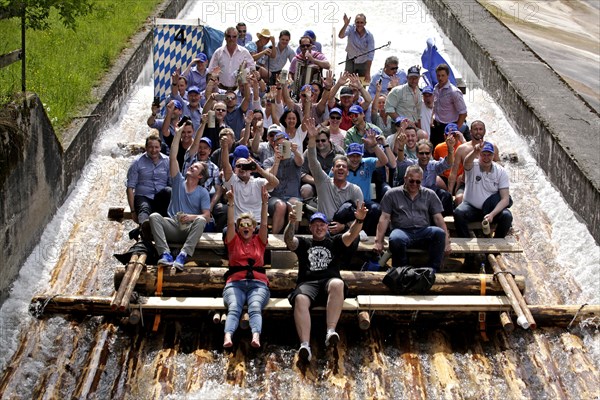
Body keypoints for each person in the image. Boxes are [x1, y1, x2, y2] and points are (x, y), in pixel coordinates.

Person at [284, 204, 367, 362]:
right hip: (308, 284)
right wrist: (291, 223)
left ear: (327, 227)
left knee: (338, 284)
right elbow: (289, 241)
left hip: (329, 283)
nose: (319, 228)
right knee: (300, 298)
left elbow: (351, 234)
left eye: (322, 225)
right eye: (315, 225)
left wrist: (359, 219)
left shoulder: (334, 242)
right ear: (310, 228)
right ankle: (305, 346)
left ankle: (330, 331)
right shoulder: (304, 243)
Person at [149, 125, 211, 271]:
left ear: (200, 176)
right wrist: (177, 135)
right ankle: (165, 254)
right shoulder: (178, 181)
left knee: (201, 219)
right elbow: (173, 157)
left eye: (195, 168)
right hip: (172, 225)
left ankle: (183, 255)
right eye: (192, 166)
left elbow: (207, 216)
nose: (191, 167)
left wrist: (191, 217)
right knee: (154, 217)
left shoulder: (203, 192)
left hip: (188, 230)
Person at [374, 165, 451, 271]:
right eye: (411, 181)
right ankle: (401, 270)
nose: (414, 184)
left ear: (421, 180)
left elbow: (438, 218)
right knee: (395, 238)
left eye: (418, 182)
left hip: (423, 231)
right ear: (405, 178)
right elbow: (384, 218)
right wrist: (378, 241)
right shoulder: (392, 194)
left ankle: (433, 270)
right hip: (402, 231)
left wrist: (447, 242)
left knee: (439, 233)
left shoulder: (430, 194)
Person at [222, 185, 270, 348]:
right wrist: (231, 203)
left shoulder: (259, 240)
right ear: (238, 228)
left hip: (258, 283)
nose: (245, 227)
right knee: (234, 306)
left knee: (255, 306)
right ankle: (228, 336)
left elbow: (264, 223)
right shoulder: (233, 240)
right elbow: (229, 223)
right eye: (242, 225)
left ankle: (256, 336)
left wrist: (264, 203)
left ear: (253, 227)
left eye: (249, 224)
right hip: (235, 282)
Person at [305, 118, 363, 234]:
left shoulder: (355, 190)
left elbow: (360, 218)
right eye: (338, 166)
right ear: (332, 170)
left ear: (348, 172)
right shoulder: (323, 182)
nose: (341, 168)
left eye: (344, 167)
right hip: (324, 228)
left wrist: (344, 226)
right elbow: (312, 161)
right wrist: (312, 139)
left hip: (345, 230)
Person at [453, 142, 512, 238]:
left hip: (492, 209)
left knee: (507, 216)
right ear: (479, 155)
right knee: (458, 213)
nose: (486, 158)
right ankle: (467, 244)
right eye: (483, 155)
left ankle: (497, 243)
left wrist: (492, 214)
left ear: (493, 156)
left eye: (489, 155)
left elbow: (505, 199)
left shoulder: (501, 171)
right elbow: (466, 163)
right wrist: (474, 151)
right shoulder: (473, 165)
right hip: (471, 207)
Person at [221, 136, 279, 224]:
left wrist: (259, 169)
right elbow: (225, 165)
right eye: (238, 166)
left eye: (245, 166)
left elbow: (275, 182)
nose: (242, 168)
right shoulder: (232, 181)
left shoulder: (258, 182)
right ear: (234, 170)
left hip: (257, 223)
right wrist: (224, 147)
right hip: (238, 223)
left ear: (251, 169)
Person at [395, 135, 456, 216]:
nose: (424, 156)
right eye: (421, 153)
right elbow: (401, 161)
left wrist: (450, 148)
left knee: (446, 195)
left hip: (431, 198)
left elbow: (448, 163)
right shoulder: (412, 164)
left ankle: (443, 221)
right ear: (417, 154)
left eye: (427, 153)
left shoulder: (433, 165)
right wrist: (401, 147)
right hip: (414, 196)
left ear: (430, 154)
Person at [126, 133, 171, 240]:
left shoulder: (167, 161)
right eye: (150, 147)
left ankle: (169, 227)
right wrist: (133, 211)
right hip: (143, 195)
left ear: (160, 148)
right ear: (146, 148)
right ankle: (144, 228)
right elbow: (130, 188)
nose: (153, 150)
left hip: (161, 198)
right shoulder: (137, 162)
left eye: (156, 147)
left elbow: (172, 182)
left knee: (169, 191)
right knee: (144, 208)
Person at [448, 120, 499, 205]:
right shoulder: (462, 149)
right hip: (467, 184)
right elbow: (453, 172)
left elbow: (499, 166)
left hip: (487, 184)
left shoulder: (492, 146)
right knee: (459, 199)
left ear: (484, 131)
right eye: (475, 129)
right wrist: (449, 193)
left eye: (480, 129)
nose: (478, 131)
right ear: (470, 132)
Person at [263, 131, 304, 233]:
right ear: (274, 145)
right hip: (275, 198)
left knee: (295, 204)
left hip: (293, 197)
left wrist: (295, 151)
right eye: (278, 145)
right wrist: (277, 161)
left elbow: (301, 162)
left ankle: (293, 238)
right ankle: (274, 238)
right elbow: (270, 177)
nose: (281, 148)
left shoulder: (295, 157)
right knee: (281, 206)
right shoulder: (269, 161)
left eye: (284, 145)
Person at [300, 127, 345, 200]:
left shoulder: (339, 151)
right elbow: (302, 173)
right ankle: (310, 210)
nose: (320, 143)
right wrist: (316, 181)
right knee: (305, 190)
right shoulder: (308, 152)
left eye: (323, 140)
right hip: (314, 184)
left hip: (334, 183)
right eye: (317, 141)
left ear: (329, 139)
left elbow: (344, 170)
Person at [431, 63, 468, 147]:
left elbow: (463, 112)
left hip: (449, 127)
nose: (440, 78)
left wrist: (456, 129)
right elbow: (435, 105)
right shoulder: (436, 88)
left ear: (448, 75)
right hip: (437, 126)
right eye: (438, 75)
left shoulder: (454, 92)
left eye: (443, 75)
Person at [338, 13, 375, 82]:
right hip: (350, 59)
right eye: (357, 22)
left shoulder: (369, 36)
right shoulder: (350, 28)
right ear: (355, 22)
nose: (359, 25)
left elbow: (371, 54)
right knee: (349, 82)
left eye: (361, 22)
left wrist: (368, 72)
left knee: (362, 84)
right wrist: (345, 24)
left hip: (363, 62)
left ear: (365, 23)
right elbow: (341, 36)